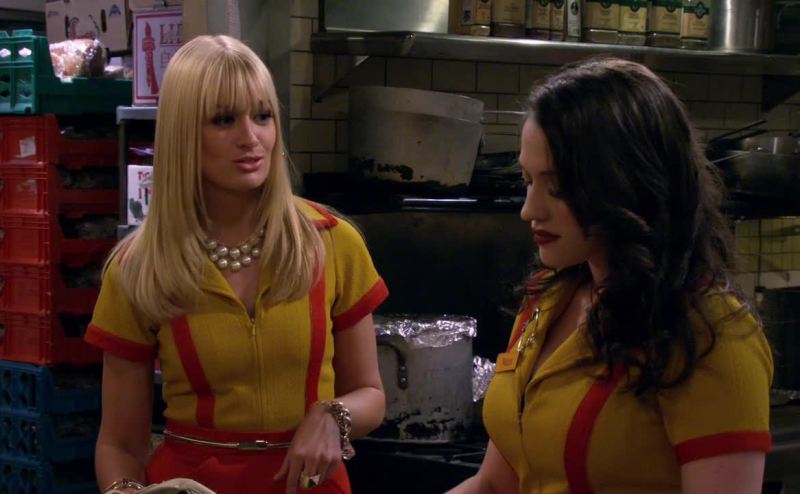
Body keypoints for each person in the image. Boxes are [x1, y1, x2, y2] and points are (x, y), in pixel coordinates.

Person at [449, 58, 773, 493]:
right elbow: (494, 485)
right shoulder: (547, 299)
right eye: (527, 180)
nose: (529, 210)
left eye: (558, 187)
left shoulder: (709, 335)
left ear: (627, 182)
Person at [85, 35, 389, 494]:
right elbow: (120, 444)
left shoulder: (333, 242)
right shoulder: (138, 268)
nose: (251, 138)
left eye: (262, 116)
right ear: (184, 135)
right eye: (224, 120)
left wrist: (333, 415)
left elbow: (372, 394)